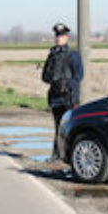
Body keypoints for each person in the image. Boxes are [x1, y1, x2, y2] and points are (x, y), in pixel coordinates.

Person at [42, 23, 84, 160]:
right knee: (58, 127)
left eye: (61, 36)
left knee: (71, 128)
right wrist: (53, 80)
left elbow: (79, 75)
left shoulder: (73, 55)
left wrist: (67, 85)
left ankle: (71, 156)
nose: (58, 38)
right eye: (57, 36)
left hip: (69, 97)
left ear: (66, 37)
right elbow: (44, 76)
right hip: (55, 97)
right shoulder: (52, 55)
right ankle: (56, 155)